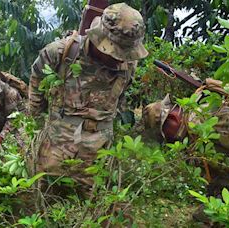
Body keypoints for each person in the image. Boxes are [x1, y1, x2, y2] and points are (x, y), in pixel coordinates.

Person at [28, 3, 148, 192]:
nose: (119, 58)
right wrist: (36, 117)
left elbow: (121, 98)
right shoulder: (61, 52)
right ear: (98, 37)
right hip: (55, 152)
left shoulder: (128, 65)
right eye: (114, 50)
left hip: (98, 156)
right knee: (47, 200)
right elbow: (37, 78)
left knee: (90, 211)